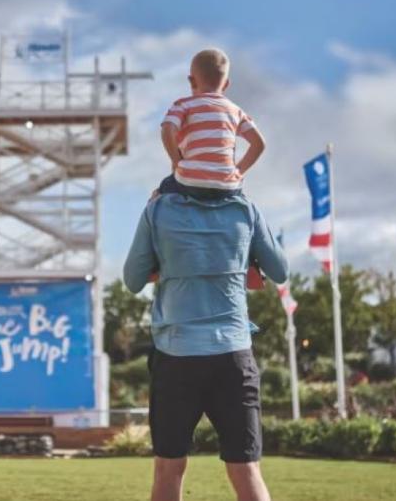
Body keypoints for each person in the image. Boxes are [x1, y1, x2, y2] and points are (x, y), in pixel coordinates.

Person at [123, 190, 288, 501]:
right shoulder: (245, 209)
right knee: (247, 471)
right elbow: (280, 271)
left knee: (168, 469)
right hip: (233, 356)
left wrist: (171, 266)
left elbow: (132, 280)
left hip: (176, 356)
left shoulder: (157, 211)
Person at [158, 48, 265, 200]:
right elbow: (259, 144)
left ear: (192, 81)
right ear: (226, 84)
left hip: (190, 182)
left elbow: (167, 129)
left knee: (159, 193)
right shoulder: (236, 111)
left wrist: (176, 162)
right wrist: (238, 171)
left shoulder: (183, 105)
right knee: (245, 203)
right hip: (227, 186)